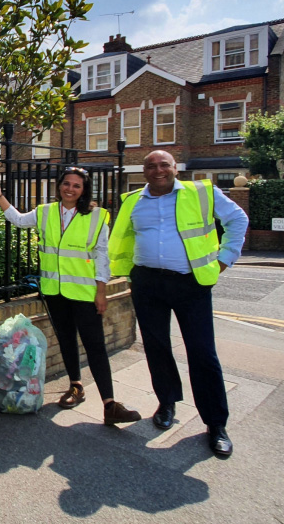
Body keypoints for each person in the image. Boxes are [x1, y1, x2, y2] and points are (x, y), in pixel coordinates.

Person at [109, 150, 249, 457]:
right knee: (157, 347)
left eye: (164, 165)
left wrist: (224, 260)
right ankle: (167, 402)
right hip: (147, 283)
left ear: (175, 168)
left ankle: (216, 424)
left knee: (202, 353)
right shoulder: (132, 201)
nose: (158, 170)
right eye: (151, 166)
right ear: (144, 171)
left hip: (191, 283)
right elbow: (124, 239)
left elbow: (238, 219)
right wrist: (129, 274)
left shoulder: (202, 191)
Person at [0, 168, 142, 426]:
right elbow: (17, 219)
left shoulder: (96, 216)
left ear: (84, 190)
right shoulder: (45, 212)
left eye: (77, 186)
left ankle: (110, 404)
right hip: (54, 291)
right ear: (59, 186)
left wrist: (102, 292)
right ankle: (75, 387)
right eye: (66, 184)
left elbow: (102, 256)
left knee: (95, 345)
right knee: (67, 340)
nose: (70, 189)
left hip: (85, 293)